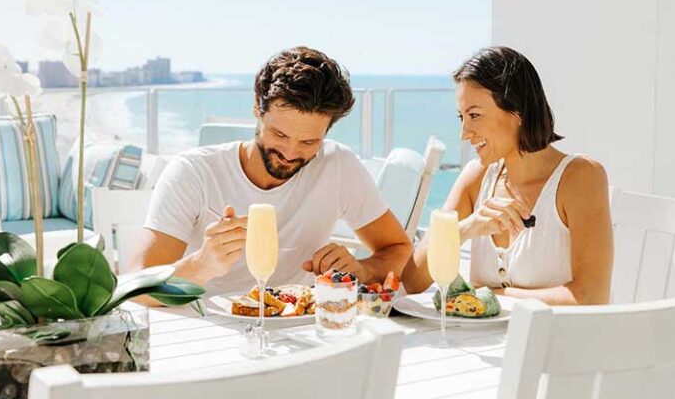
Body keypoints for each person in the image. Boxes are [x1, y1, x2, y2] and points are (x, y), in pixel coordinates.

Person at [136, 46, 412, 297]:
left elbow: (398, 249)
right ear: (257, 109)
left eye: (309, 142)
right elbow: (138, 290)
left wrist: (361, 270)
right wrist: (202, 264)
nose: (291, 153)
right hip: (207, 331)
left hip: (298, 330)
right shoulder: (193, 172)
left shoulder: (337, 166)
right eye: (279, 134)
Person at [402, 46, 613, 305]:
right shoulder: (476, 177)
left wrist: (491, 296)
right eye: (462, 117)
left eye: (475, 115)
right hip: (480, 344)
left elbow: (591, 297)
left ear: (517, 112)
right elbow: (413, 280)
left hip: (555, 343)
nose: (464, 133)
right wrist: (467, 229)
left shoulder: (580, 178)